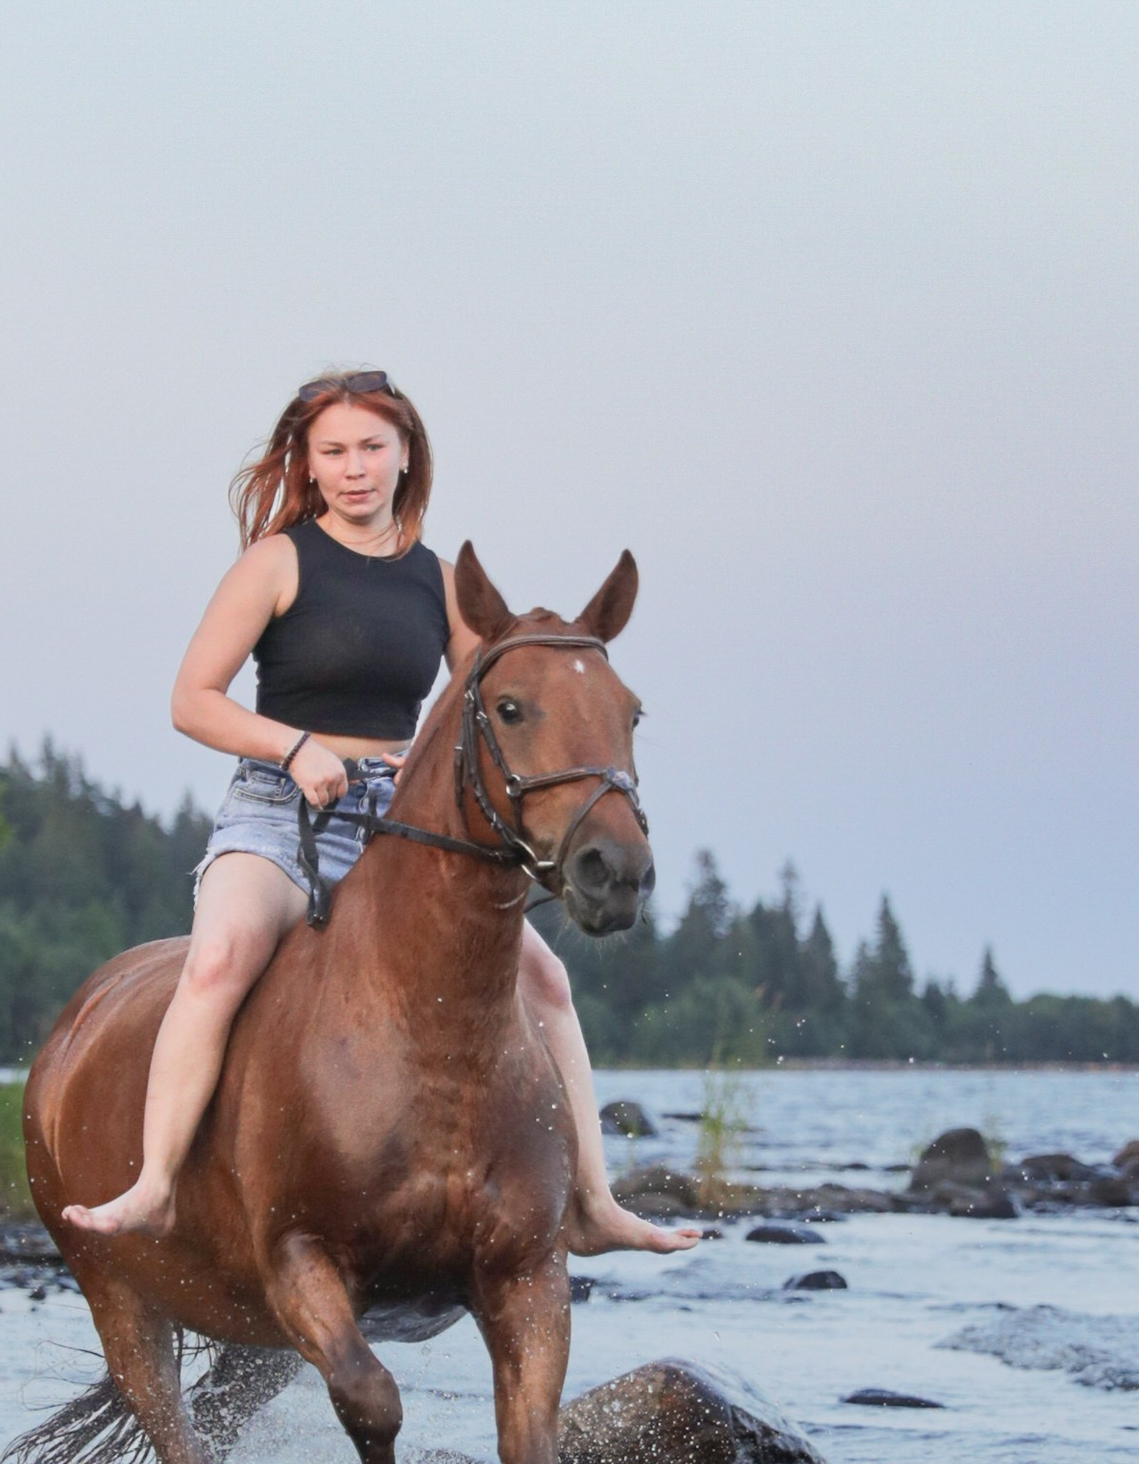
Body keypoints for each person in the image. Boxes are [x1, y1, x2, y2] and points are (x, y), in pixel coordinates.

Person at [62, 369, 698, 1253]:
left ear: (405, 459)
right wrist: (294, 747)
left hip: (396, 827)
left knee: (546, 980)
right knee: (220, 961)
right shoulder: (277, 562)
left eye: (371, 449)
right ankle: (158, 1185)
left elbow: (500, 703)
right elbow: (191, 699)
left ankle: (592, 1200)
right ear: (309, 464)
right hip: (280, 813)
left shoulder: (437, 582)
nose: (354, 468)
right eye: (334, 452)